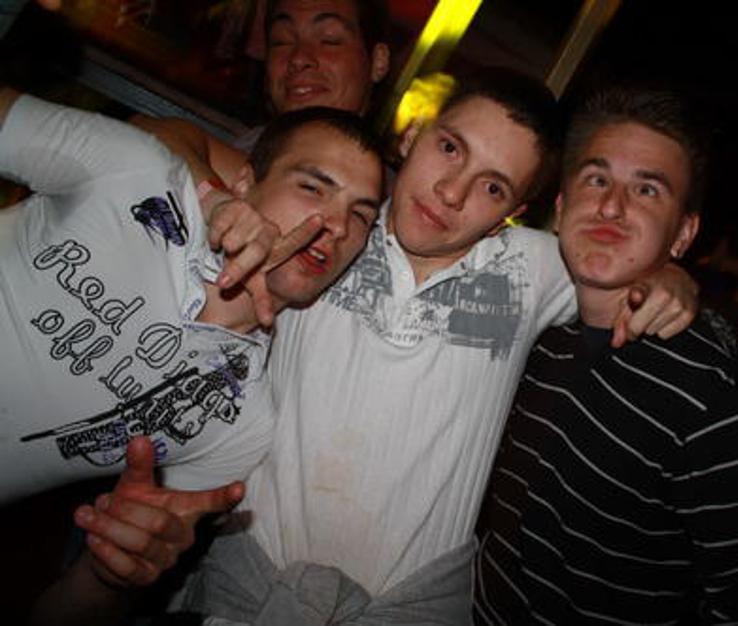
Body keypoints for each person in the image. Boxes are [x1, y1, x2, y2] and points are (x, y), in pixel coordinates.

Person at [77, 68, 699, 624]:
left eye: (492, 188)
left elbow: (625, 266)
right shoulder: (332, 221)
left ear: (515, 213)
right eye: (449, 148)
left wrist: (671, 277)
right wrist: (217, 202)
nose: (451, 192)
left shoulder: (535, 268)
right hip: (253, 586)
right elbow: (157, 132)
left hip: (409, 605)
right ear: (413, 134)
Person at [473, 87, 738, 624]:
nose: (611, 206)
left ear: (683, 235)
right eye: (596, 179)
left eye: (647, 190)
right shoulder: (532, 329)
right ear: (561, 205)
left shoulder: (715, 402)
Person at [0, 89, 383, 503]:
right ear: (244, 184)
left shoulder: (240, 427)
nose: (338, 225)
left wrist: (144, 538)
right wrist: (206, 197)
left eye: (361, 215)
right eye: (312, 187)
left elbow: (141, 528)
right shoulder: (136, 174)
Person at [134, 0, 392, 187]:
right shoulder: (254, 145)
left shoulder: (387, 204)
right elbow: (147, 134)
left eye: (329, 40)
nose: (299, 58)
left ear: (378, 62)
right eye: (282, 41)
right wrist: (214, 200)